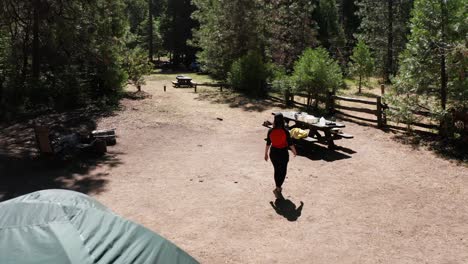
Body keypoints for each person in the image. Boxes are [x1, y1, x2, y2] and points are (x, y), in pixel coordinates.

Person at [264, 113, 297, 199]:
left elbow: (268, 143)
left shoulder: (270, 131)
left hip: (273, 153)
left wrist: (266, 154)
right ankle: (278, 188)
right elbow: (290, 143)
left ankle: (278, 187)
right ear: (282, 120)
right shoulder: (285, 131)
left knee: (277, 170)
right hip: (283, 153)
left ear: (274, 120)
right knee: (283, 171)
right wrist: (294, 151)